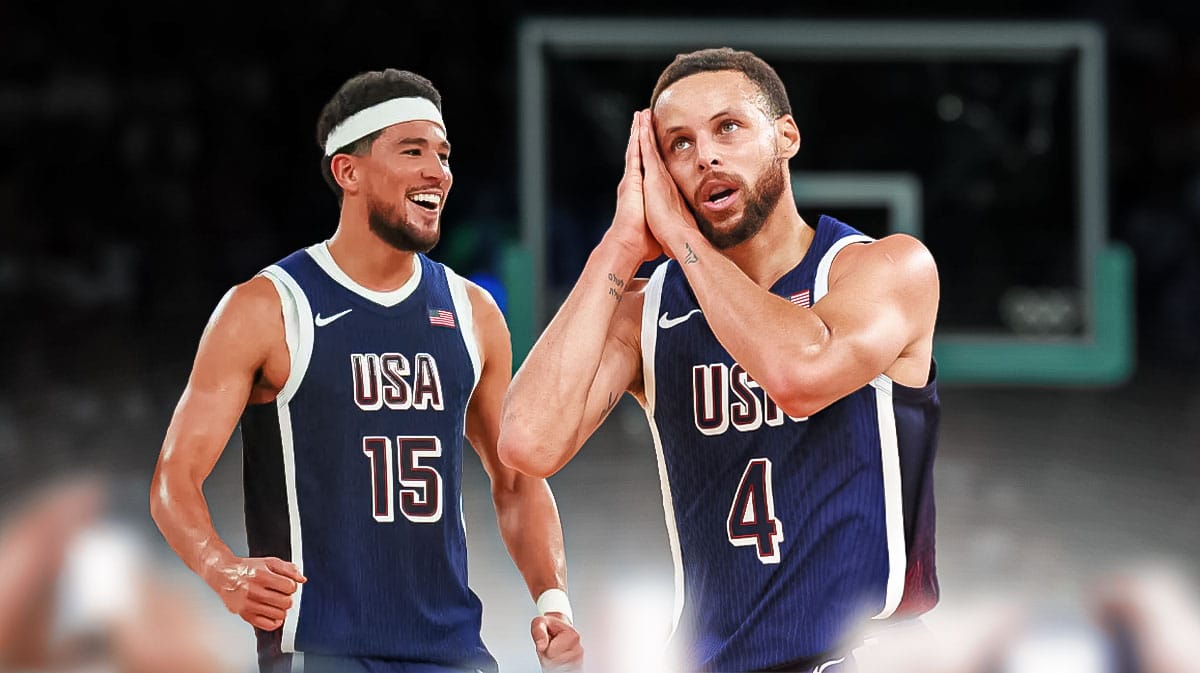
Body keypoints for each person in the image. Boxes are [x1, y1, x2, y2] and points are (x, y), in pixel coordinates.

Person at [498, 48, 941, 672]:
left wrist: (679, 238)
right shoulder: (647, 311)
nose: (705, 155)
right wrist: (621, 246)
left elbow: (798, 377)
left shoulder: (882, 269)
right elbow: (527, 443)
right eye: (678, 144)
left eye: (728, 127)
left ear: (785, 136)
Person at [150, 68, 583, 673]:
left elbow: (516, 480)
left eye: (443, 154)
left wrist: (553, 600)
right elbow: (174, 480)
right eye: (412, 151)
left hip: (453, 650)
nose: (438, 171)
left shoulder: (473, 313)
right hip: (322, 650)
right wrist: (221, 568)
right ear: (348, 172)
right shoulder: (268, 307)